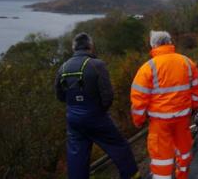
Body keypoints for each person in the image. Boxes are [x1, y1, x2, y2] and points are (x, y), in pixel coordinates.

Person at [55, 32, 140, 179]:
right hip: (95, 116)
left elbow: (60, 96)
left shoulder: (62, 68)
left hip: (73, 119)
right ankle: (132, 175)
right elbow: (108, 96)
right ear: (90, 46)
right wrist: (99, 111)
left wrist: (75, 107)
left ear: (74, 48)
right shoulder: (97, 65)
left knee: (77, 157)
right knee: (119, 146)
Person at [130, 30, 198, 179]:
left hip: (160, 123)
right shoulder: (186, 62)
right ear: (170, 42)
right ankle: (182, 176)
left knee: (161, 159)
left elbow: (139, 100)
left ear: (153, 46)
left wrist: (138, 120)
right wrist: (193, 106)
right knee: (184, 151)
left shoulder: (147, 68)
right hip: (183, 118)